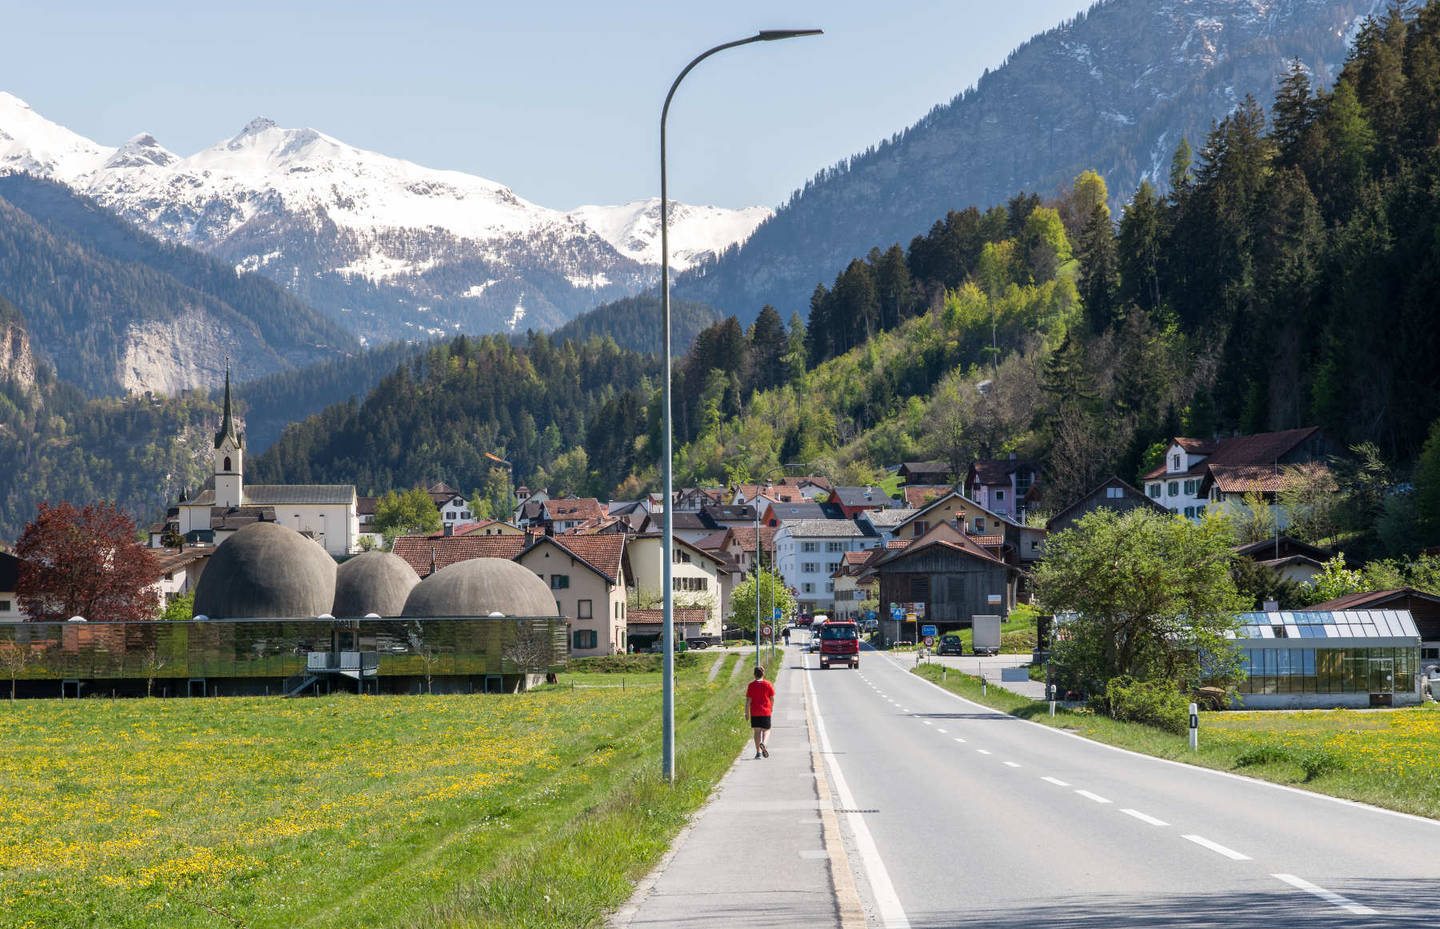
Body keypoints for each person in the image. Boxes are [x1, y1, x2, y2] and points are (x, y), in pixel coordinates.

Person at [745, 666, 776, 759]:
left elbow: (748, 701)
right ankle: (764, 744)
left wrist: (747, 713)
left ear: (754, 675)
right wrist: (771, 707)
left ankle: (758, 753)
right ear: (763, 674)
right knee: (766, 730)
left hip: (755, 712)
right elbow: (772, 698)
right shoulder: (768, 684)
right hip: (765, 711)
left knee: (757, 732)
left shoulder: (751, 685)